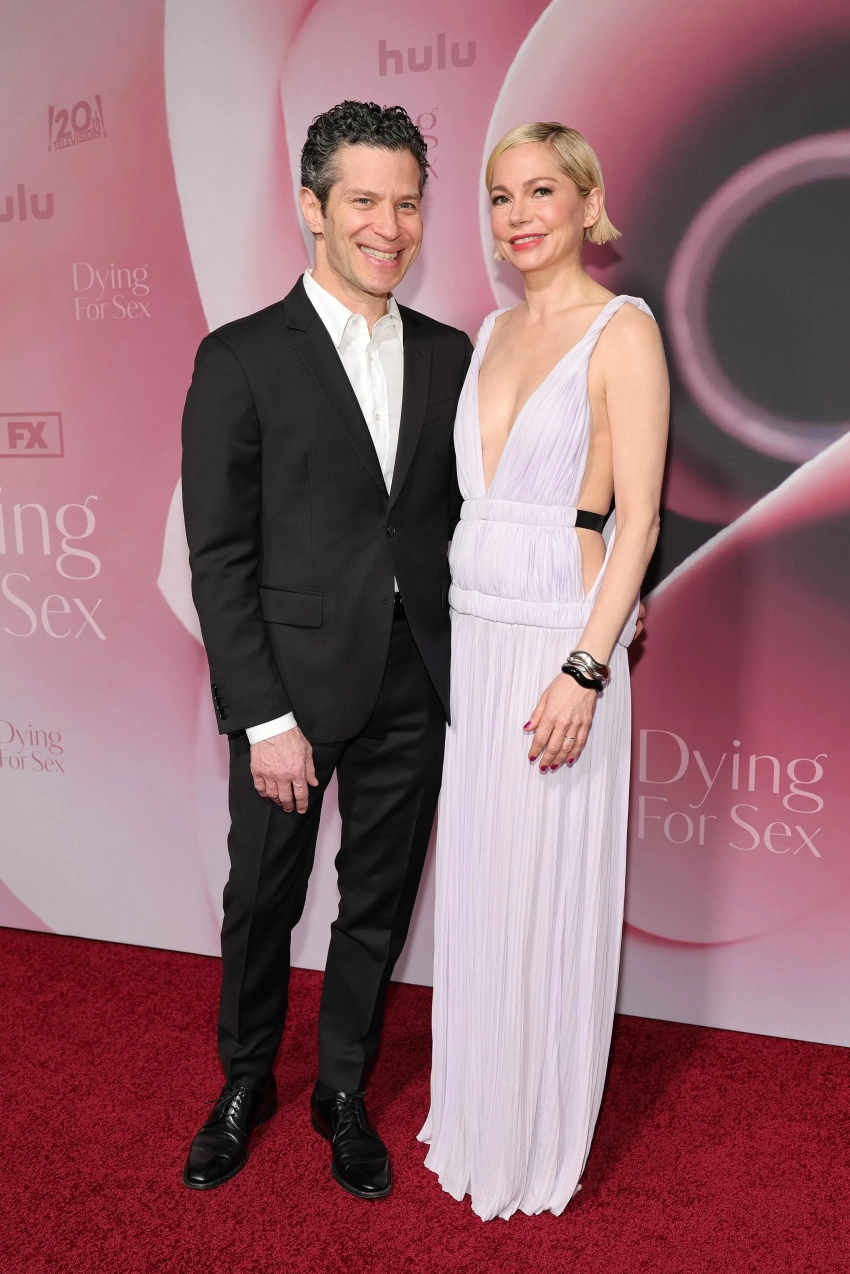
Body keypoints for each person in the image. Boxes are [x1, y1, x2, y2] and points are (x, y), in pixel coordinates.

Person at [180, 101, 472, 1199]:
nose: (388, 226)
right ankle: (245, 1078)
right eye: (363, 201)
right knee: (262, 898)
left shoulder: (449, 354)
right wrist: (264, 718)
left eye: (407, 203)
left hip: (415, 678)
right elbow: (219, 556)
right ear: (312, 207)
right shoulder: (242, 357)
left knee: (377, 900)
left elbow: (472, 516)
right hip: (290, 692)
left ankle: (342, 1086)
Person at [418, 122, 669, 1220]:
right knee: (483, 885)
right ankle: (477, 1104)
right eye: (498, 195)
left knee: (542, 890)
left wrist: (585, 665)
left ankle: (530, 1127)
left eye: (539, 191)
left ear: (586, 202)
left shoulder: (624, 329)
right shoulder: (491, 328)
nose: (517, 214)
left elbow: (639, 518)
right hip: (474, 635)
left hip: (555, 643)